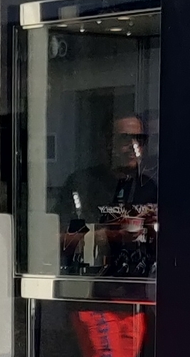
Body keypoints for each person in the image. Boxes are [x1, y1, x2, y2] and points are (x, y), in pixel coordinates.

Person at [57, 115, 158, 278]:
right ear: (110, 144)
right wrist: (105, 236)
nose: (134, 146)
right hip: (91, 284)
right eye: (126, 139)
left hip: (138, 283)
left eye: (139, 140)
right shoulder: (83, 183)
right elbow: (56, 239)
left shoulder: (149, 187)